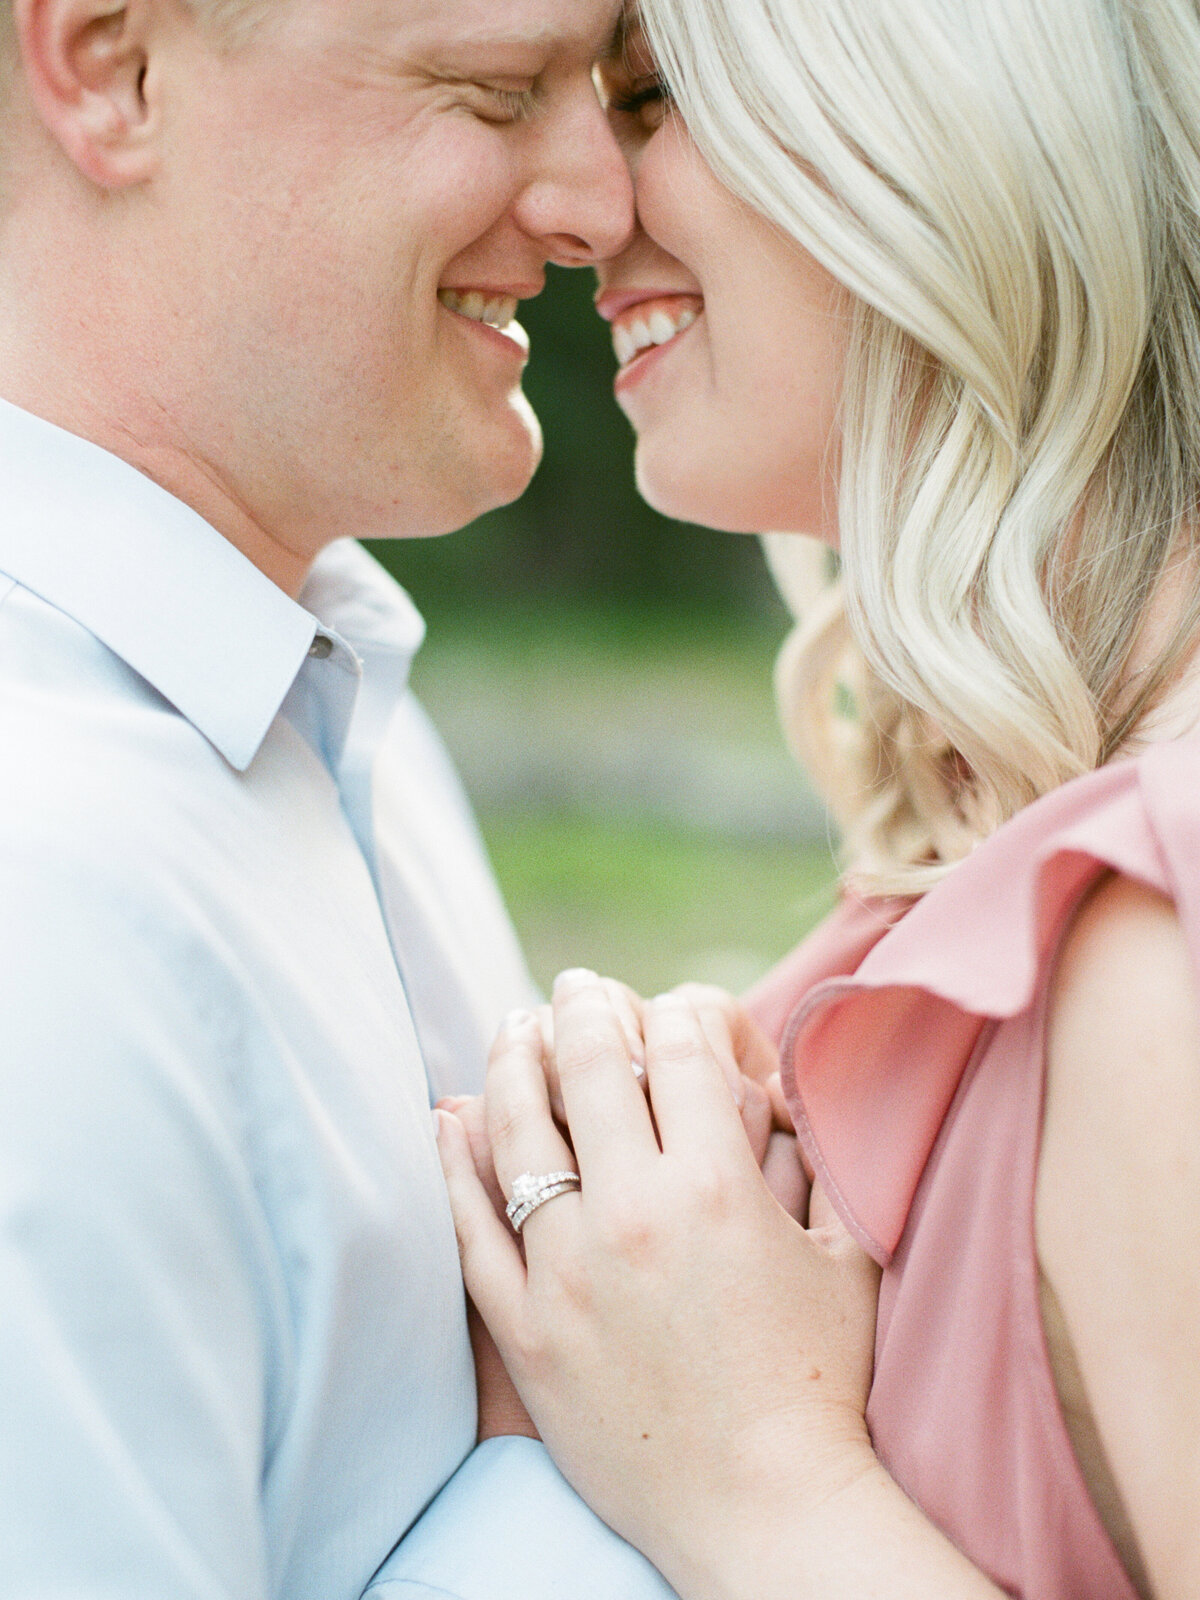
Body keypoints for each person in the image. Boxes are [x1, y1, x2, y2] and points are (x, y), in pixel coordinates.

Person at [435, 2, 1200, 1597]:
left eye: (647, 100)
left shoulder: (1159, 946)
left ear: (932, 115)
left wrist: (754, 1470)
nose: (580, 207)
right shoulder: (1000, 861)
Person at [0, 1, 685, 1595]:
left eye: (599, 87)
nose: (603, 199)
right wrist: (599, 1469)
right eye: (498, 89)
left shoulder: (329, 687)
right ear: (114, 71)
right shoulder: (40, 897)